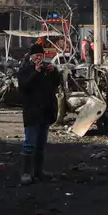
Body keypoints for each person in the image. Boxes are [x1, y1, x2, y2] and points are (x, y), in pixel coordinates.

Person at [17, 42, 61, 185]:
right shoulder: (25, 70)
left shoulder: (47, 69)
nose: (38, 58)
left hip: (46, 111)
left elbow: (57, 83)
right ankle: (25, 173)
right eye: (36, 55)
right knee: (29, 143)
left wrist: (54, 71)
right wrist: (35, 72)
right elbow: (24, 87)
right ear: (31, 57)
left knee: (41, 145)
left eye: (41, 55)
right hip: (32, 112)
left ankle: (38, 171)